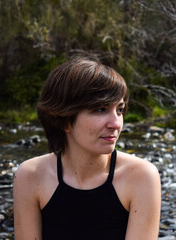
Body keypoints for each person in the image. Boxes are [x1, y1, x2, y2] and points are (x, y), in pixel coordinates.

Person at [13, 58, 161, 240]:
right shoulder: (30, 175)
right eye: (100, 109)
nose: (116, 123)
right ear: (64, 120)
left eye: (120, 110)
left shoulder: (141, 176)